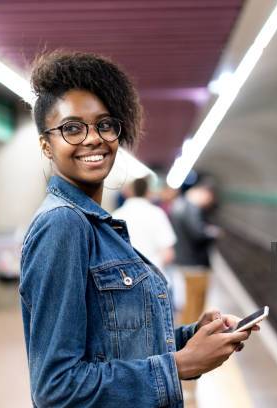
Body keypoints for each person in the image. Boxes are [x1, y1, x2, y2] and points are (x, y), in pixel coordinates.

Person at [19, 51, 256, 408]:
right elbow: (57, 388)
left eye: (104, 124)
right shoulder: (63, 225)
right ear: (45, 144)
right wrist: (182, 364)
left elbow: (117, 346)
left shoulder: (95, 224)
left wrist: (194, 338)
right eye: (72, 128)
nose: (93, 138)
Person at [170, 183, 221, 324]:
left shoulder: (179, 205)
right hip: (195, 264)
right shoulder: (192, 209)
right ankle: (191, 337)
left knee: (189, 304)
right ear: (204, 194)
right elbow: (198, 234)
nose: (207, 204)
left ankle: (190, 335)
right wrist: (212, 233)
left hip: (184, 261)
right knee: (194, 305)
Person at [112, 176, 176, 272]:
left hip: (126, 277)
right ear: (148, 192)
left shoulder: (116, 216)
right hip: (154, 275)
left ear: (128, 192)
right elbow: (168, 253)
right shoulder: (157, 213)